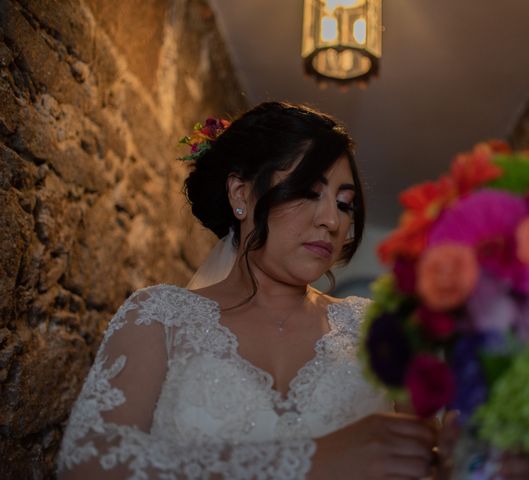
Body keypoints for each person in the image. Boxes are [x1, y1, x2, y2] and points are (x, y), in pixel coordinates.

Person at [57, 102, 454, 479]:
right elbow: (86, 464)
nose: (332, 220)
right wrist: (310, 462)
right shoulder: (159, 318)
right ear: (241, 194)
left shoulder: (376, 330)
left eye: (345, 203)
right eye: (308, 192)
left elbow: (427, 459)